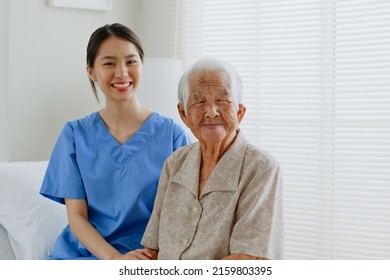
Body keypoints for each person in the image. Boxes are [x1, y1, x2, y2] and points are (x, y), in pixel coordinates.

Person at [39, 23, 191, 260]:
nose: (122, 73)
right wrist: (115, 260)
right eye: (109, 63)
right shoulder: (74, 135)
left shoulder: (171, 134)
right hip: (87, 254)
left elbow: (183, 213)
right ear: (91, 71)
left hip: (149, 255)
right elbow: (77, 217)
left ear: (142, 65)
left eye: (131, 61)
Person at [134, 57, 283, 260]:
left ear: (239, 112)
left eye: (223, 100)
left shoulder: (261, 168)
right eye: (199, 101)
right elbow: (152, 249)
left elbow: (247, 260)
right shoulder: (175, 163)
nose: (211, 112)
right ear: (183, 114)